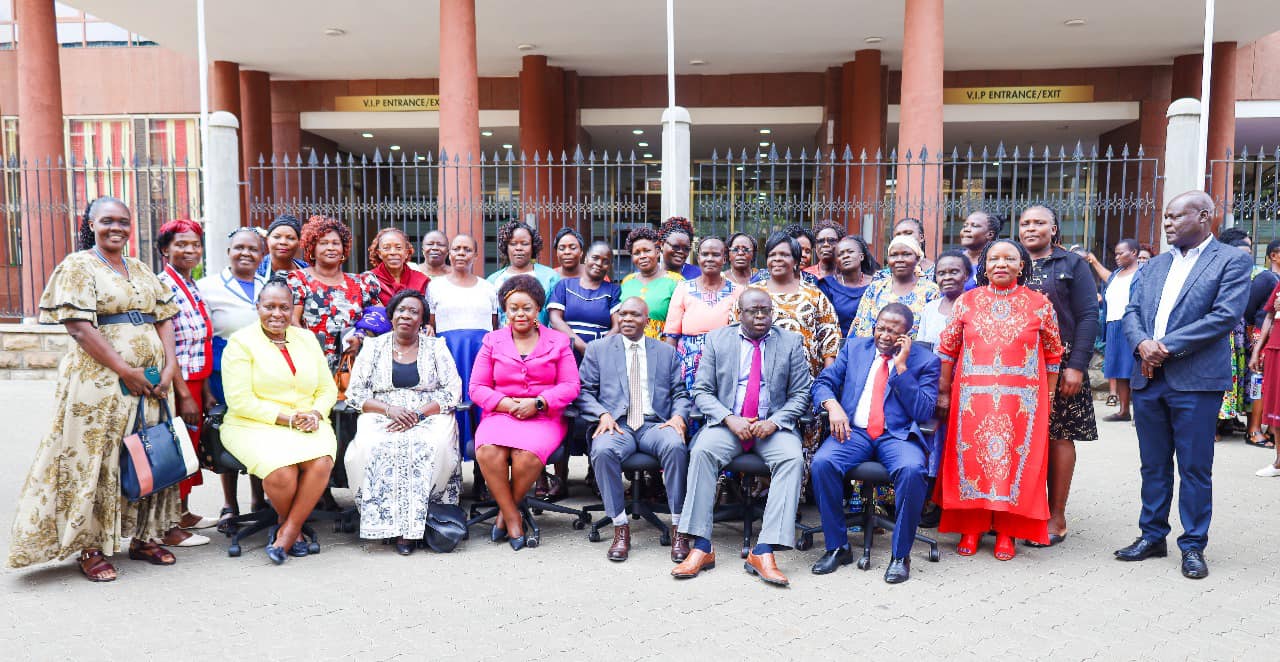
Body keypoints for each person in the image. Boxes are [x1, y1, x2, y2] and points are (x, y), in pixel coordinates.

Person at [7, 197, 186, 581]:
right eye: (107, 221)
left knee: (148, 450)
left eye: (123, 220)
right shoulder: (78, 266)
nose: (116, 227)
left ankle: (144, 536)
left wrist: (169, 366)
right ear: (90, 223)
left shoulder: (140, 269)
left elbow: (165, 318)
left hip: (151, 380)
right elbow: (79, 328)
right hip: (99, 382)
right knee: (95, 456)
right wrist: (125, 369)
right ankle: (89, 546)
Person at [1117, 190, 1251, 580]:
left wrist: (1165, 347)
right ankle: (1152, 535)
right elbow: (1131, 312)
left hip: (1195, 382)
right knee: (1153, 465)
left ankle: (1193, 545)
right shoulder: (1155, 265)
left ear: (1205, 216)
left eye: (1177, 216)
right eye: (1166, 217)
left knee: (1194, 468)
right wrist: (1142, 343)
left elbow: (1224, 316)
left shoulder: (1230, 261)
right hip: (1149, 378)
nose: (1168, 223)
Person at [671, 288, 812, 586]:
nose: (760, 316)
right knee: (702, 452)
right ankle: (701, 546)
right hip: (728, 423)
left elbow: (801, 394)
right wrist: (728, 418)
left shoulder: (790, 342)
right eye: (753, 311)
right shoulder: (718, 339)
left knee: (792, 458)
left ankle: (764, 551)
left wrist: (774, 422)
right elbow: (701, 390)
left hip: (770, 427)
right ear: (739, 313)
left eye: (766, 310)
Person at [935, 239, 1064, 559]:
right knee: (974, 459)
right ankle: (971, 527)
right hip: (971, 399)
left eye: (1009, 259)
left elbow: (1053, 353)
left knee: (1012, 464)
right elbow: (948, 349)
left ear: (1022, 266)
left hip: (1022, 401)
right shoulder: (967, 301)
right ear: (984, 265)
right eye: (994, 259)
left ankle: (1007, 532)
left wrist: (1048, 395)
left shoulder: (1040, 305)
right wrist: (944, 390)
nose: (1001, 264)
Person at [810, 303, 939, 583]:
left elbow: (924, 412)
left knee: (912, 470)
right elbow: (823, 382)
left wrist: (901, 368)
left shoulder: (926, 361)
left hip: (897, 434)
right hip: (854, 432)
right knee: (822, 463)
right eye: (880, 327)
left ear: (907, 334)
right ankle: (838, 546)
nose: (883, 335)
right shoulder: (855, 348)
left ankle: (900, 555)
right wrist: (832, 406)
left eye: (893, 331)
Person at [219, 278, 338, 565]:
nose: (277, 314)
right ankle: (291, 527)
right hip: (253, 423)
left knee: (321, 461)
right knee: (281, 472)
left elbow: (327, 389)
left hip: (307, 420)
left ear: (292, 308)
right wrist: (289, 418)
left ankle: (287, 531)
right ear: (257, 307)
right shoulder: (240, 343)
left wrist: (316, 414)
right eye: (269, 306)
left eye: (284, 307)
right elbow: (240, 401)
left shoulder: (307, 339)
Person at [344, 290, 462, 555]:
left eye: (414, 312)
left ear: (422, 320)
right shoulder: (373, 347)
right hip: (382, 412)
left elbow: (452, 391)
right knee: (370, 446)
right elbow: (355, 392)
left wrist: (418, 414)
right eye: (401, 310)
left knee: (432, 444)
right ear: (391, 314)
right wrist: (389, 409)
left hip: (429, 413)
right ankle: (384, 522)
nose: (406, 316)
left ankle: (420, 524)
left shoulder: (436, 347)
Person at [469, 275, 581, 550]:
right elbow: (477, 387)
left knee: (525, 456)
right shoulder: (492, 341)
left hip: (543, 416)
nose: (520, 313)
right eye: (513, 308)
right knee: (488, 451)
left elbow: (571, 385)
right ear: (505, 310)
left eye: (527, 307)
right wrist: (508, 404)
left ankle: (503, 514)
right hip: (500, 414)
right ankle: (512, 516)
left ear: (538, 309)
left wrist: (539, 402)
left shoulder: (558, 341)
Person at [577, 297, 692, 562]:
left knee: (676, 445)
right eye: (623, 314)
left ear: (647, 321)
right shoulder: (598, 349)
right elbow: (584, 392)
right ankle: (620, 526)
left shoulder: (665, 352)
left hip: (655, 423)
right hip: (617, 424)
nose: (627, 319)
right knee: (603, 450)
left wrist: (678, 416)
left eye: (635, 315)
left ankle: (679, 528)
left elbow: (681, 393)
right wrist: (602, 414)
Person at [1018, 205, 1099, 547]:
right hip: (1014, 364)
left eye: (1039, 223)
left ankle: (1056, 514)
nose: (1031, 228)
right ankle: (1018, 509)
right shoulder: (1008, 258)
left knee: (1058, 437)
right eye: (1025, 223)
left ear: (1054, 229)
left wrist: (1077, 365)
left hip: (1060, 363)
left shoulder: (1072, 264)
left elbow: (1088, 315)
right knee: (1016, 437)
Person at [196, 226, 269, 532]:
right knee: (225, 433)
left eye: (253, 249)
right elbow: (200, 337)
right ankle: (229, 504)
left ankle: (259, 500)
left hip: (264, 372)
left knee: (259, 432)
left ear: (262, 255)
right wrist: (203, 386)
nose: (246, 253)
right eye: (239, 248)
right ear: (228, 253)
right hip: (222, 371)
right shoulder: (208, 286)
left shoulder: (269, 284)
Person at [155, 219, 217, 545]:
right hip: (181, 385)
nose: (189, 250)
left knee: (190, 448)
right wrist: (185, 393)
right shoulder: (163, 285)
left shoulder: (191, 284)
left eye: (195, 244)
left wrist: (204, 390)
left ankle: (184, 512)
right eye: (181, 244)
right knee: (177, 449)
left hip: (197, 381)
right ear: (165, 249)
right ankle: (169, 527)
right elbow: (168, 347)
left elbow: (199, 340)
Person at [427, 234, 499, 461]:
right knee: (453, 403)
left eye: (467, 250)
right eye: (456, 249)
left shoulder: (488, 288)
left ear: (476, 255)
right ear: (449, 253)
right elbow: (431, 325)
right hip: (449, 354)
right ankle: (451, 466)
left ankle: (481, 469)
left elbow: (494, 328)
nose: (461, 253)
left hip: (480, 355)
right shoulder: (435, 287)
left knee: (480, 405)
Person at [286, 215, 380, 372]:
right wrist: (309, 345)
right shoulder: (299, 279)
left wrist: (360, 337)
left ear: (343, 249)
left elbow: (377, 318)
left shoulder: (361, 283)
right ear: (312, 249)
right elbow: (292, 319)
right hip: (311, 363)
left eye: (336, 243)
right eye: (323, 243)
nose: (331, 248)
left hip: (351, 365)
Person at [751, 231, 840, 378]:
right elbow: (737, 332)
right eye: (772, 255)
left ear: (796, 261)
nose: (777, 259)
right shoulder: (753, 293)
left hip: (805, 381)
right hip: (760, 378)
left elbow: (830, 338)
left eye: (784, 255)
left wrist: (826, 379)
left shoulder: (813, 294)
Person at [663, 235, 741, 390]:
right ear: (698, 258)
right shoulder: (683, 288)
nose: (710, 259)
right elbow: (672, 334)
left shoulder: (737, 291)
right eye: (705, 254)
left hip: (724, 360)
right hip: (687, 361)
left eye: (716, 255)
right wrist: (669, 371)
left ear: (725, 259)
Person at [853, 234, 941, 339]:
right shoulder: (875, 288)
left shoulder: (931, 291)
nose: (899, 259)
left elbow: (932, 332)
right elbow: (861, 328)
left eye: (906, 254)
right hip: (876, 353)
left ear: (917, 259)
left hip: (916, 353)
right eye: (894, 255)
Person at [548, 240, 622, 358]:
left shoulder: (613, 290)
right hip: (566, 353)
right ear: (586, 258)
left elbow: (617, 326)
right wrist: (582, 346)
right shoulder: (565, 286)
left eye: (605, 261)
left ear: (609, 266)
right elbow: (555, 319)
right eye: (595, 258)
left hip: (600, 355)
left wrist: (596, 349)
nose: (599, 263)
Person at [1099, 239, 1142, 422]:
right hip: (1113, 324)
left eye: (1121, 253)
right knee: (1119, 370)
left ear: (1133, 252)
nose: (1116, 257)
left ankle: (1140, 414)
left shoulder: (1142, 273)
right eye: (1115, 254)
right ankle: (1124, 411)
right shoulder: (1116, 274)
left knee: (1135, 369)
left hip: (1132, 324)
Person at [487, 219, 559, 325]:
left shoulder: (550, 277)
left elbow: (554, 318)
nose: (518, 248)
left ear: (533, 247)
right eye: (513, 244)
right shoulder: (493, 280)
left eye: (524, 244)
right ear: (506, 247)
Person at [1245, 239, 1280, 448]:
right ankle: (1254, 429)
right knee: (1260, 381)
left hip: (1275, 336)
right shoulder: (1266, 278)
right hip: (1262, 334)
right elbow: (1250, 309)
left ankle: (1269, 427)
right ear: (1273, 255)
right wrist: (1254, 338)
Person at [620, 227, 683, 339]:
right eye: (636, 253)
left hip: (662, 347)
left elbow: (682, 322)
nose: (642, 256)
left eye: (647, 251)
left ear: (657, 252)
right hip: (628, 346)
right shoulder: (627, 281)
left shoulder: (676, 281)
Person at [817, 235, 877, 338]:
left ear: (861, 256)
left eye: (850, 252)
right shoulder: (827, 285)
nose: (845, 256)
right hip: (838, 346)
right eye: (840, 254)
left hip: (871, 345)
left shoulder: (877, 284)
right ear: (836, 261)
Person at [1251, 277, 1280, 475]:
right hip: (1274, 349)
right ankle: (1279, 461)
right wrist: (1256, 351)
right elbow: (1269, 316)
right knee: (1275, 408)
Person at [363, 227, 429, 307]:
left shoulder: (421, 280)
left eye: (398, 248)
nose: (393, 252)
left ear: (406, 252)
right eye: (386, 248)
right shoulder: (367, 280)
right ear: (379, 253)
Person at [918, 250, 971, 346]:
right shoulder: (929, 309)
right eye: (941, 273)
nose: (947, 277)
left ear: (966, 275)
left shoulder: (976, 307)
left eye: (954, 272)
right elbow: (922, 349)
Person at [751, 224, 820, 286]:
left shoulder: (812, 280)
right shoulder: (761, 277)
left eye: (808, 251)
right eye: (800, 249)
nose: (803, 254)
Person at [958, 211, 1002, 288]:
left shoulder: (998, 263)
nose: (966, 230)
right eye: (965, 226)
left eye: (974, 226)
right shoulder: (953, 258)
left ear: (990, 234)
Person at [257, 214, 309, 278]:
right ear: (268, 240)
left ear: (299, 242)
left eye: (290, 238)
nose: (283, 242)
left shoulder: (307, 270)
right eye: (277, 237)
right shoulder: (256, 269)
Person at [659, 216, 700, 280]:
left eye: (686, 249)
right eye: (675, 247)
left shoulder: (698, 275)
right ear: (662, 245)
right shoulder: (649, 273)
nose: (681, 251)